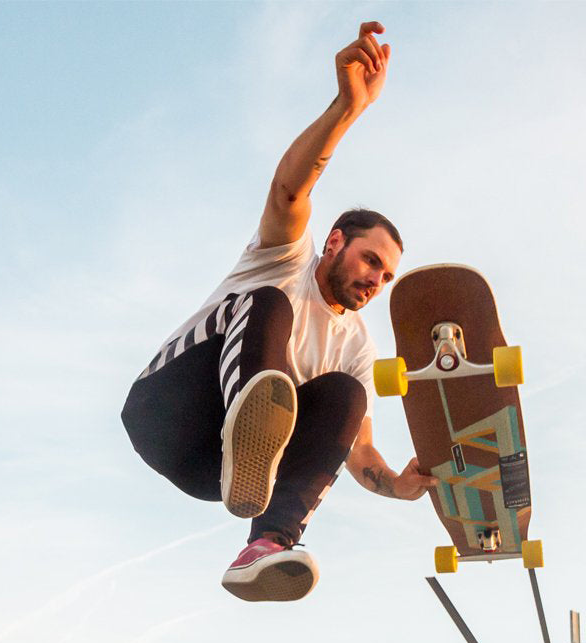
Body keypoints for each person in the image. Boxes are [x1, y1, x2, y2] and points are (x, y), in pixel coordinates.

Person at [120, 22, 437, 602]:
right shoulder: (286, 256)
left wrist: (397, 484)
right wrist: (348, 107)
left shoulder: (357, 345)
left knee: (346, 393)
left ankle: (267, 543)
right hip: (166, 411)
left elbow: (357, 447)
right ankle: (249, 425)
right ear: (335, 242)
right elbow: (289, 192)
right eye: (370, 261)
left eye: (386, 276)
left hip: (209, 473)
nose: (375, 280)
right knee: (267, 303)